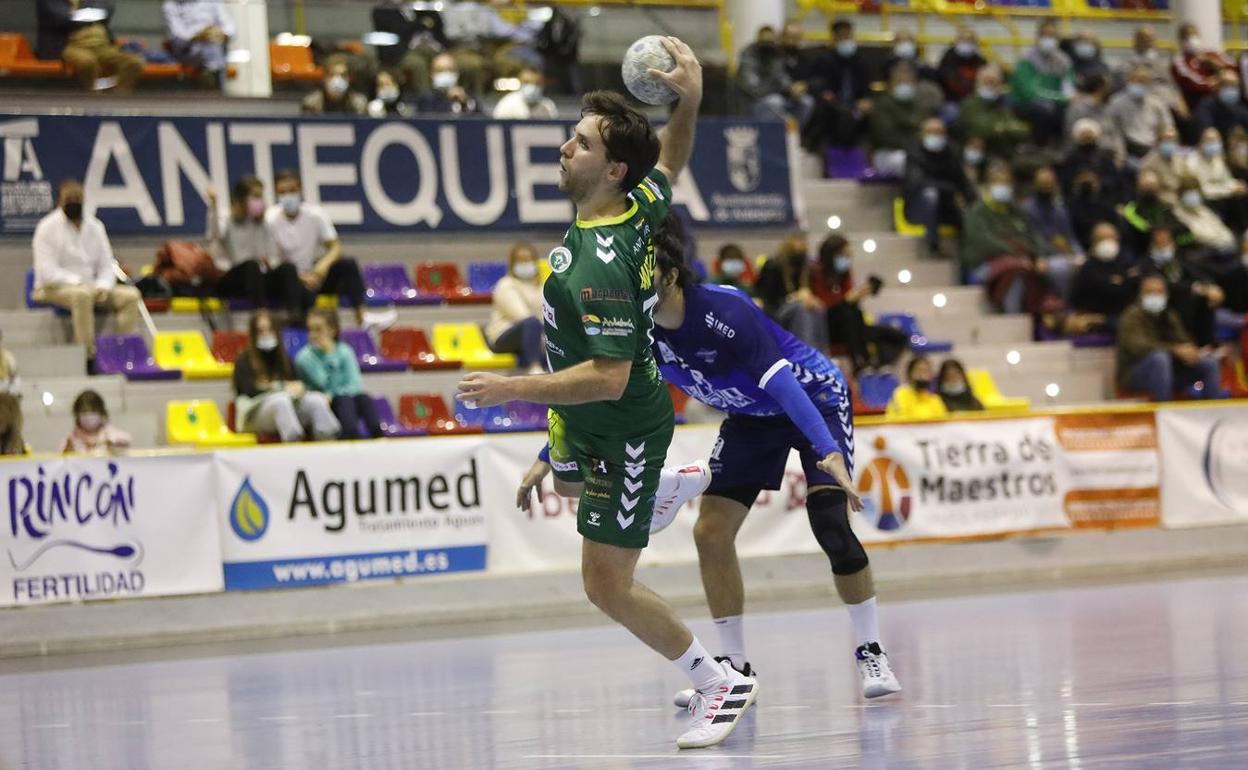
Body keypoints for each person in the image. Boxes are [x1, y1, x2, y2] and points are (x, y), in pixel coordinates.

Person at [453, 45, 760, 750]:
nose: (565, 147)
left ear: (613, 169)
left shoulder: (598, 264)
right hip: (589, 423)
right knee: (560, 476)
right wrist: (690, 100)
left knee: (606, 585)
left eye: (581, 142)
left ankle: (719, 683)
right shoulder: (634, 204)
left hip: (621, 422)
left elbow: (610, 376)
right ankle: (668, 489)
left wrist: (510, 389)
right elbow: (672, 164)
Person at [518, 216, 900, 712]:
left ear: (670, 276)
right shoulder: (637, 329)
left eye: (639, 275)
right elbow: (601, 394)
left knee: (829, 522)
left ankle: (872, 650)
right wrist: (549, 455)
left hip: (811, 400)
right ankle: (735, 668)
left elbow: (784, 386)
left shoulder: (725, 311)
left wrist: (828, 452)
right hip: (749, 414)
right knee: (710, 532)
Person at [32, 179, 143, 371]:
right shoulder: (46, 228)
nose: (74, 202)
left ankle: (123, 353)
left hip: (93, 288)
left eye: (78, 198)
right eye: (69, 199)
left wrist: (103, 286)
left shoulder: (95, 227)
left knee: (131, 296)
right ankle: (88, 358)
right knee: (82, 295)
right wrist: (82, 284)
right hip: (52, 288)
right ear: (59, 202)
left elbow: (107, 265)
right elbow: (47, 271)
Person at [266, 169, 367, 325]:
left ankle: (363, 317)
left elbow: (335, 247)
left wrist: (321, 268)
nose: (288, 196)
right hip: (285, 281)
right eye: (283, 192)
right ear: (276, 193)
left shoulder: (315, 214)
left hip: (313, 275)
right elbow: (269, 260)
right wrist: (300, 277)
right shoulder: (270, 219)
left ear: (300, 190)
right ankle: (298, 320)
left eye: (292, 191)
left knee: (348, 264)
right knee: (288, 272)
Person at [233, 311, 340, 442]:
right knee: (281, 401)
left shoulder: (283, 357)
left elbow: (295, 383)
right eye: (261, 331)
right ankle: (294, 447)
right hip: (255, 412)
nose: (266, 335)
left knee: (315, 400)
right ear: (253, 334)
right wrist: (279, 387)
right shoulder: (244, 359)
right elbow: (248, 390)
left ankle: (329, 443)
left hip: (288, 406)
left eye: (270, 330)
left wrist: (299, 387)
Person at [1117, 275, 1227, 401]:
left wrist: (1189, 350)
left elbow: (1183, 339)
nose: (1155, 296)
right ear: (1141, 295)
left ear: (1166, 295)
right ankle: (1164, 412)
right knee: (1159, 358)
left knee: (1209, 363)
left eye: (1159, 292)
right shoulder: (1131, 316)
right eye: (1150, 292)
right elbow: (1139, 348)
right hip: (1136, 372)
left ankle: (1212, 411)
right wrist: (1175, 350)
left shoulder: (1169, 315)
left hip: (1170, 370)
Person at [812, 234, 907, 373]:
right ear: (832, 254)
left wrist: (862, 293)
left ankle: (877, 364)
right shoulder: (816, 273)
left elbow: (850, 298)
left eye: (848, 255)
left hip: (852, 326)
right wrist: (846, 300)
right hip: (828, 324)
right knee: (849, 313)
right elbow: (823, 305)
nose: (846, 259)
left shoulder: (845, 273)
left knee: (897, 336)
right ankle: (859, 360)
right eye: (843, 255)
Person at [295, 310, 382, 440]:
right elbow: (323, 382)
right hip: (319, 405)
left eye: (318, 330)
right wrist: (330, 356)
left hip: (339, 400)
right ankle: (348, 439)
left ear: (332, 330)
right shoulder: (305, 357)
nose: (313, 335)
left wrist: (335, 394)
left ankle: (378, 437)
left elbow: (355, 384)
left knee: (364, 398)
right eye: (310, 330)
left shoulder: (344, 350)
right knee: (344, 401)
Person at [36, 0, 143, 93]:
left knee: (133, 62)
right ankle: (91, 98)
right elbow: (58, 17)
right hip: (69, 45)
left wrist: (86, 15)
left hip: (102, 45)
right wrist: (84, 16)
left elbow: (106, 10)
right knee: (87, 62)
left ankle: (119, 97)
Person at [904, 118, 973, 257]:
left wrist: (969, 199)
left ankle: (970, 256)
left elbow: (962, 181)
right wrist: (952, 191)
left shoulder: (951, 152)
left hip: (947, 205)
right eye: (931, 132)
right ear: (922, 134)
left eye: (940, 132)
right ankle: (933, 246)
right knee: (930, 194)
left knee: (970, 202)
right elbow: (918, 183)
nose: (936, 136)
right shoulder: (914, 153)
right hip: (919, 206)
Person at [802, 18, 871, 151]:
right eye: (842, 37)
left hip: (855, 104)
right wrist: (826, 94)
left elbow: (866, 89)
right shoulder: (823, 61)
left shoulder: (861, 62)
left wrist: (867, 100)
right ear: (834, 39)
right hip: (833, 104)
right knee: (842, 113)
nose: (847, 41)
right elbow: (818, 86)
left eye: (849, 36)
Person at [205, 175, 273, 309]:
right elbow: (215, 235)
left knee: (287, 270)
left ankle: (296, 319)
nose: (260, 201)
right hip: (229, 279)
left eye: (261, 196)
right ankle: (262, 314)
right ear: (242, 198)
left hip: (254, 278)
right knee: (251, 265)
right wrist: (213, 205)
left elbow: (268, 255)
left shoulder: (262, 224)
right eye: (256, 196)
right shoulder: (225, 217)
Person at [753, 235, 827, 349]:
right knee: (801, 308)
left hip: (794, 307)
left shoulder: (805, 269)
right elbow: (768, 299)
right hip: (775, 311)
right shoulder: (772, 266)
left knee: (817, 307)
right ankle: (806, 351)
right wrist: (793, 298)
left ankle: (822, 353)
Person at [484, 243, 546, 374]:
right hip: (503, 336)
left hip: (535, 333)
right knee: (531, 323)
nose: (525, 263)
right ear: (513, 263)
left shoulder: (541, 285)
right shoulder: (506, 284)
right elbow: (522, 316)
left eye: (529, 259)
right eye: (521, 260)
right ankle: (535, 367)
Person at [1010, 20, 1073, 146]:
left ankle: (1064, 147)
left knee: (1073, 109)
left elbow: (1069, 87)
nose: (1048, 39)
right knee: (1044, 109)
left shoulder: (1063, 60)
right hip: (1024, 104)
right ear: (1038, 37)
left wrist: (1068, 98)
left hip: (1054, 102)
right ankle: (1038, 147)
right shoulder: (1027, 59)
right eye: (1045, 35)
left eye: (1052, 36)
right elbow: (1029, 93)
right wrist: (1061, 98)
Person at [866, 63, 934, 178]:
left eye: (908, 82)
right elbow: (886, 137)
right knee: (907, 162)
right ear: (891, 84)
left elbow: (927, 130)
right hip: (888, 153)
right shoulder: (882, 105)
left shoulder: (919, 105)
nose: (905, 85)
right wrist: (916, 138)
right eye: (900, 82)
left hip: (916, 152)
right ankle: (914, 195)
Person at [955, 66, 1031, 162]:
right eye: (986, 82)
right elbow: (980, 128)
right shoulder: (969, 104)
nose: (990, 86)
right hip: (978, 152)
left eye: (994, 83)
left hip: (1003, 153)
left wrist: (1000, 127)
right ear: (978, 83)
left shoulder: (1005, 105)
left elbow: (1022, 130)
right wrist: (1005, 128)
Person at [1071, 222, 1141, 323]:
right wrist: (1119, 282)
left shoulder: (1125, 261)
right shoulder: (1088, 267)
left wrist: (1116, 282)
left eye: (1111, 238)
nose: (1108, 243)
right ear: (1094, 242)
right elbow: (1097, 290)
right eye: (1103, 239)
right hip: (1099, 315)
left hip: (1124, 311)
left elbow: (1134, 283)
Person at [1106, 63, 1176, 159]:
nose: (1140, 84)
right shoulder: (1116, 102)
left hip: (1153, 148)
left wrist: (1166, 137)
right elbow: (1113, 131)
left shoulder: (1157, 102)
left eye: (1144, 81)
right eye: (1136, 80)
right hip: (1129, 149)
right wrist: (1120, 154)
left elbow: (1168, 127)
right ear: (1129, 80)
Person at [1186, 127, 1248, 235]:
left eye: (1215, 140)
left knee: (1241, 193)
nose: (1213, 143)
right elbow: (1203, 190)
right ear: (1201, 142)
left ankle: (1244, 232)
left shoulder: (1217, 157)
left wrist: (1236, 185)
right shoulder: (1193, 161)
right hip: (1205, 200)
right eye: (1209, 140)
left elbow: (1227, 179)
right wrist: (1228, 190)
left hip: (1221, 197)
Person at [1023, 166, 1084, 269]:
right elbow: (1032, 240)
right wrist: (1057, 248)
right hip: (1043, 255)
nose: (1046, 187)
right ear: (1034, 185)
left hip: (1066, 252)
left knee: (1085, 263)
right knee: (1060, 269)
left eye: (1049, 183)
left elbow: (1070, 236)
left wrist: (1077, 252)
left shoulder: (1060, 208)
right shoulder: (1027, 209)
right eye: (1043, 184)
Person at [163, 0, 233, 87]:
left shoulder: (214, 2)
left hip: (214, 45)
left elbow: (230, 29)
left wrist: (220, 33)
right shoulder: (171, 4)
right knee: (212, 48)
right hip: (187, 51)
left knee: (213, 45)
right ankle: (213, 78)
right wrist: (198, 36)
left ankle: (211, 74)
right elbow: (177, 38)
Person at [1171, 23, 1233, 111]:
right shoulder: (1179, 61)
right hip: (1199, 102)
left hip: (1225, 96)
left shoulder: (1211, 54)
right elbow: (1196, 85)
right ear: (1181, 40)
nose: (1191, 40)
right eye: (1187, 37)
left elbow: (1233, 69)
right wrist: (1221, 81)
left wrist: (1215, 64)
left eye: (1193, 35)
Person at [1172, 176, 1236, 256]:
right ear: (1180, 194)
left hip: (1224, 245)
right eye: (1189, 192)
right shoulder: (1177, 214)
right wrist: (1221, 241)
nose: (1193, 196)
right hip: (1206, 250)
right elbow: (1198, 235)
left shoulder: (1203, 209)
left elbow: (1220, 226)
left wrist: (1228, 239)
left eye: (1195, 192)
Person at [61, 389, 131, 454]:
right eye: (84, 411)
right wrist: (67, 453)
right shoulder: (70, 440)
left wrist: (115, 447)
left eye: (93, 411)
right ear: (77, 414)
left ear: (101, 412)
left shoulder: (113, 435)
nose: (88, 416)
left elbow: (126, 442)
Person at [886, 356, 948, 420]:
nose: (922, 375)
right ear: (909, 374)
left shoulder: (935, 399)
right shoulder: (900, 394)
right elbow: (899, 421)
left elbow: (942, 423)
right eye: (919, 370)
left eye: (926, 371)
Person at [417, 53, 481, 115]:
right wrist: (447, 100)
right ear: (432, 74)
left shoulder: (467, 97)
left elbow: (483, 120)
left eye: (450, 70)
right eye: (440, 70)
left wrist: (465, 102)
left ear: (457, 73)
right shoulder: (426, 99)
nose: (446, 73)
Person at [1194, 70, 1248, 142]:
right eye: (1227, 84)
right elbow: (1207, 132)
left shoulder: (1240, 108)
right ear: (1218, 86)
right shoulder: (1206, 105)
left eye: (1234, 85)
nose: (1231, 89)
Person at [937, 26, 986, 104]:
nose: (966, 43)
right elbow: (947, 81)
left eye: (970, 40)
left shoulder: (980, 61)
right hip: (951, 100)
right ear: (956, 41)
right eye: (963, 40)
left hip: (975, 101)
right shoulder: (948, 59)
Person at [302, 59, 368, 115]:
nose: (337, 80)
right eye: (332, 75)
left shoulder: (359, 104)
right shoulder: (311, 103)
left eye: (343, 75)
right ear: (324, 78)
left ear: (349, 78)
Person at [492, 66, 557, 120]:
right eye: (527, 82)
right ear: (521, 83)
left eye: (537, 83)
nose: (532, 87)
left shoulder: (547, 106)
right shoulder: (507, 104)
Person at [0, 331, 20, 396]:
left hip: (5, 385)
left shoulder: (8, 356)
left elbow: (14, 374)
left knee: (17, 381)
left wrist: (9, 389)